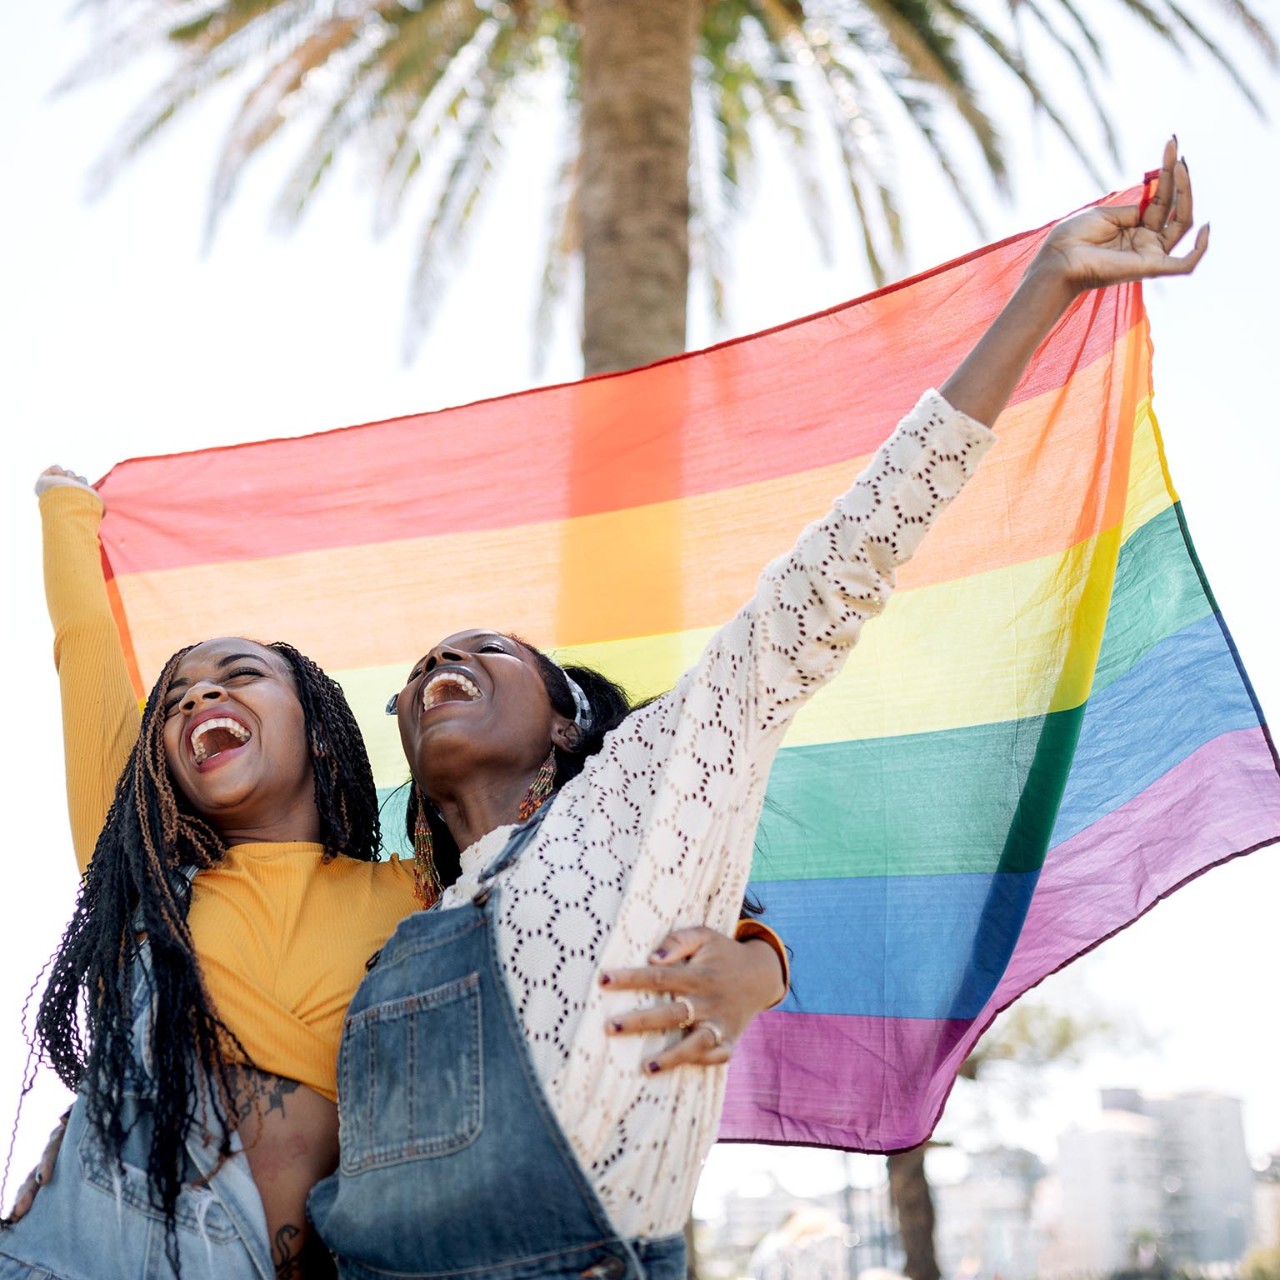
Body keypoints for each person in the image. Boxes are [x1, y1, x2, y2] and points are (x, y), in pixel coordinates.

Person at [308, 141, 1207, 1280]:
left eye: (488, 648)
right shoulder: (383, 916)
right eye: (426, 661)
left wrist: (1041, 291)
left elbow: (830, 574)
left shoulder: (645, 784)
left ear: (567, 722)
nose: (446, 652)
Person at [0, 470, 788, 1278]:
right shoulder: (146, 893)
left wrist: (755, 962)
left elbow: (591, 885)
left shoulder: (419, 899)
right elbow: (84, 653)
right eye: (174, 702)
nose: (200, 694)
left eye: (239, 676)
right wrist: (67, 507)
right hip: (77, 1251)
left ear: (318, 730)